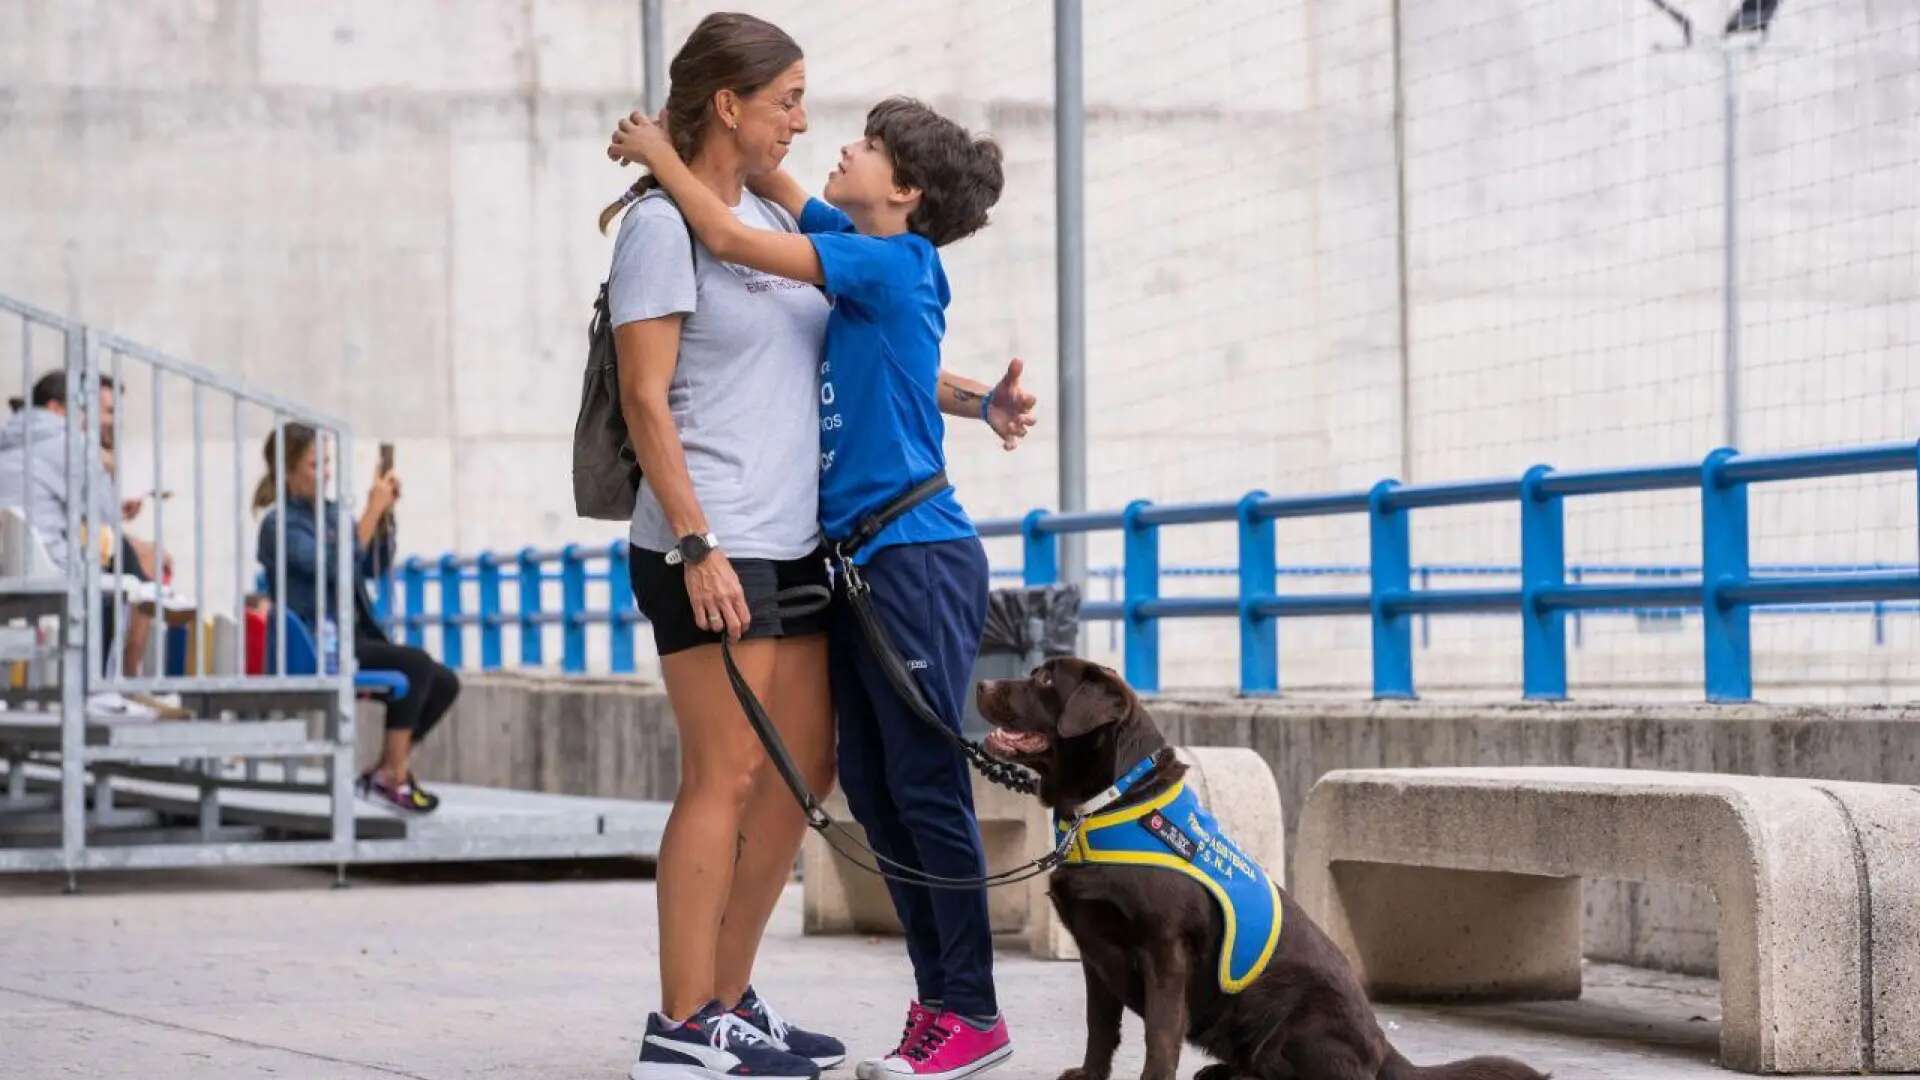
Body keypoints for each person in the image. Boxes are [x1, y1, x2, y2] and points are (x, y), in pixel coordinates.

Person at [596, 14, 1033, 1080]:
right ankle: (685, 1020)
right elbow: (651, 394)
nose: (812, 122)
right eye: (789, 98)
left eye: (828, 114)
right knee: (765, 776)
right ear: (732, 102)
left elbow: (784, 271)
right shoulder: (687, 226)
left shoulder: (863, 253)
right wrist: (694, 538)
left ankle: (798, 1002)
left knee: (835, 777)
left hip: (859, 551)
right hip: (732, 541)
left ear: (908, 192)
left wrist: (975, 406)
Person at [253, 423, 457, 814]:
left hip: (350, 636)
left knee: (444, 682)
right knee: (414, 665)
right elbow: (334, 569)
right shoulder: (279, 525)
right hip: (318, 643)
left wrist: (382, 522)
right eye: (315, 465)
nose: (326, 472)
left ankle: (386, 768)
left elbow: (370, 566)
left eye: (327, 463)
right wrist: (369, 511)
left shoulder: (331, 515)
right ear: (289, 470)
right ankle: (393, 777)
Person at [0, 371, 158, 679]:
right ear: (59, 409)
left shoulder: (6, 440)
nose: (86, 419)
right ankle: (99, 682)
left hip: (5, 564)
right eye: (82, 410)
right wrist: (106, 469)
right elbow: (104, 518)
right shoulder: (73, 443)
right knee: (117, 569)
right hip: (46, 565)